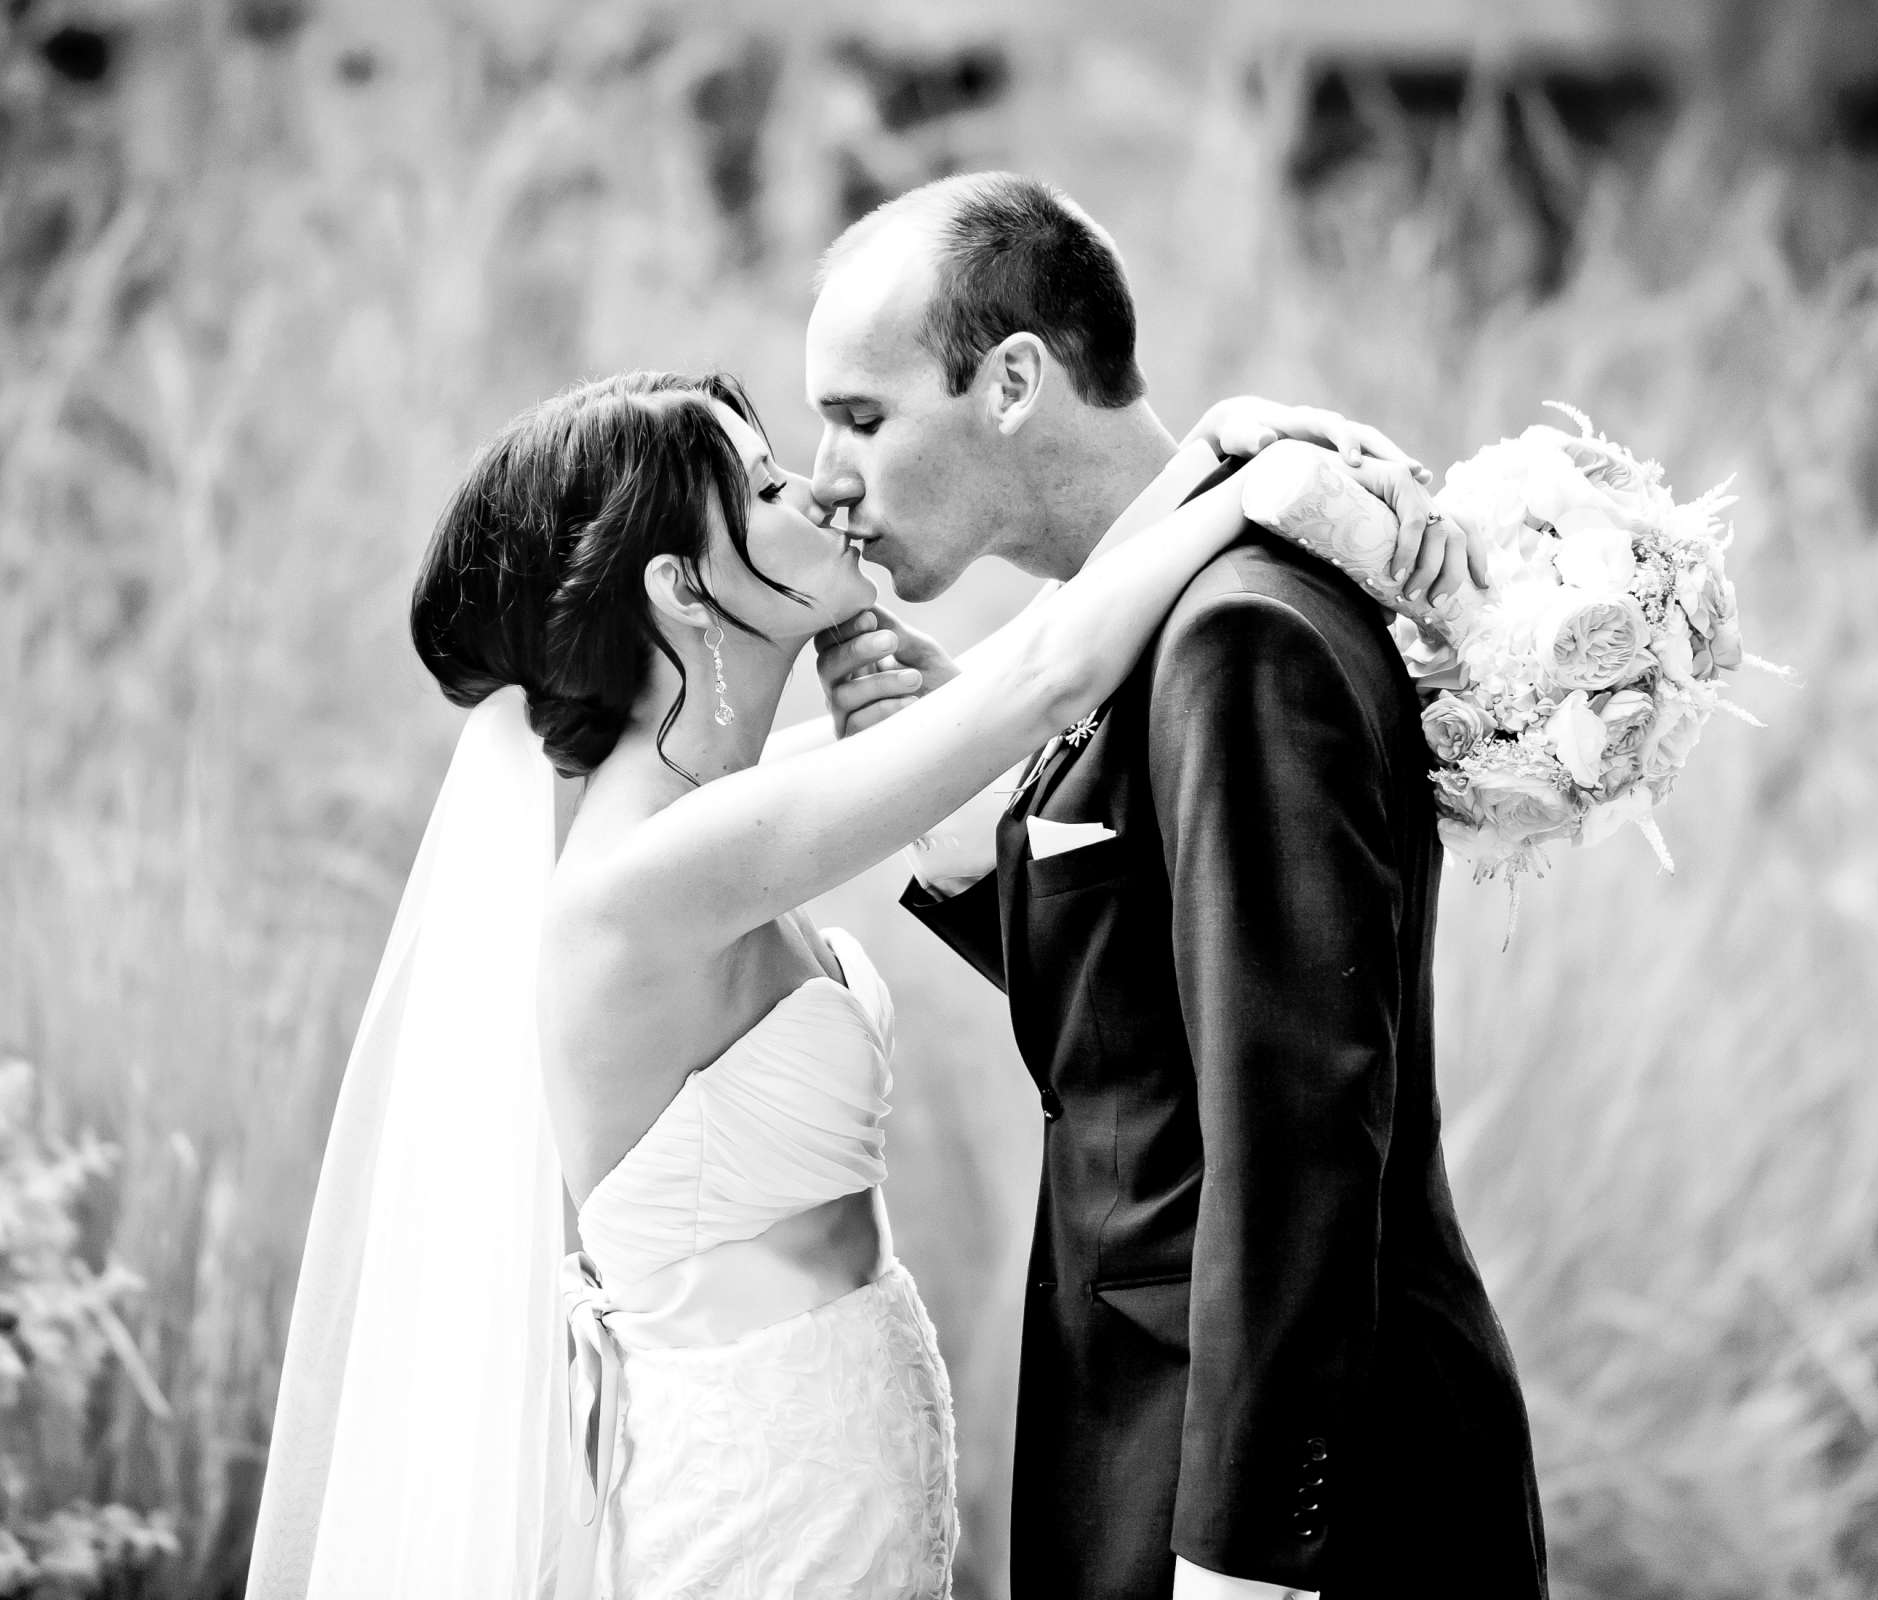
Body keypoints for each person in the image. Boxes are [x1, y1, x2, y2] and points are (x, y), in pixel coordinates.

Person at [244, 368, 1460, 1598]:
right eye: (765, 488)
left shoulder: (721, 814)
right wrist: (1230, 476)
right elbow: (1040, 682)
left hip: (841, 1465)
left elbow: (999, 704)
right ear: (679, 586)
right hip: (756, 1497)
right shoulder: (654, 873)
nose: (818, 492)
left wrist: (1167, 501)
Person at [805, 172, 1549, 1600]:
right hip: (1148, 1438)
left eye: (861, 417)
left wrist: (1243, 1558)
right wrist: (966, 823)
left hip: (1301, 1512)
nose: (829, 476)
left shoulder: (1240, 638)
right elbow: (1147, 1021)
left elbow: (1299, 1138)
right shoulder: (1155, 625)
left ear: (1014, 379)